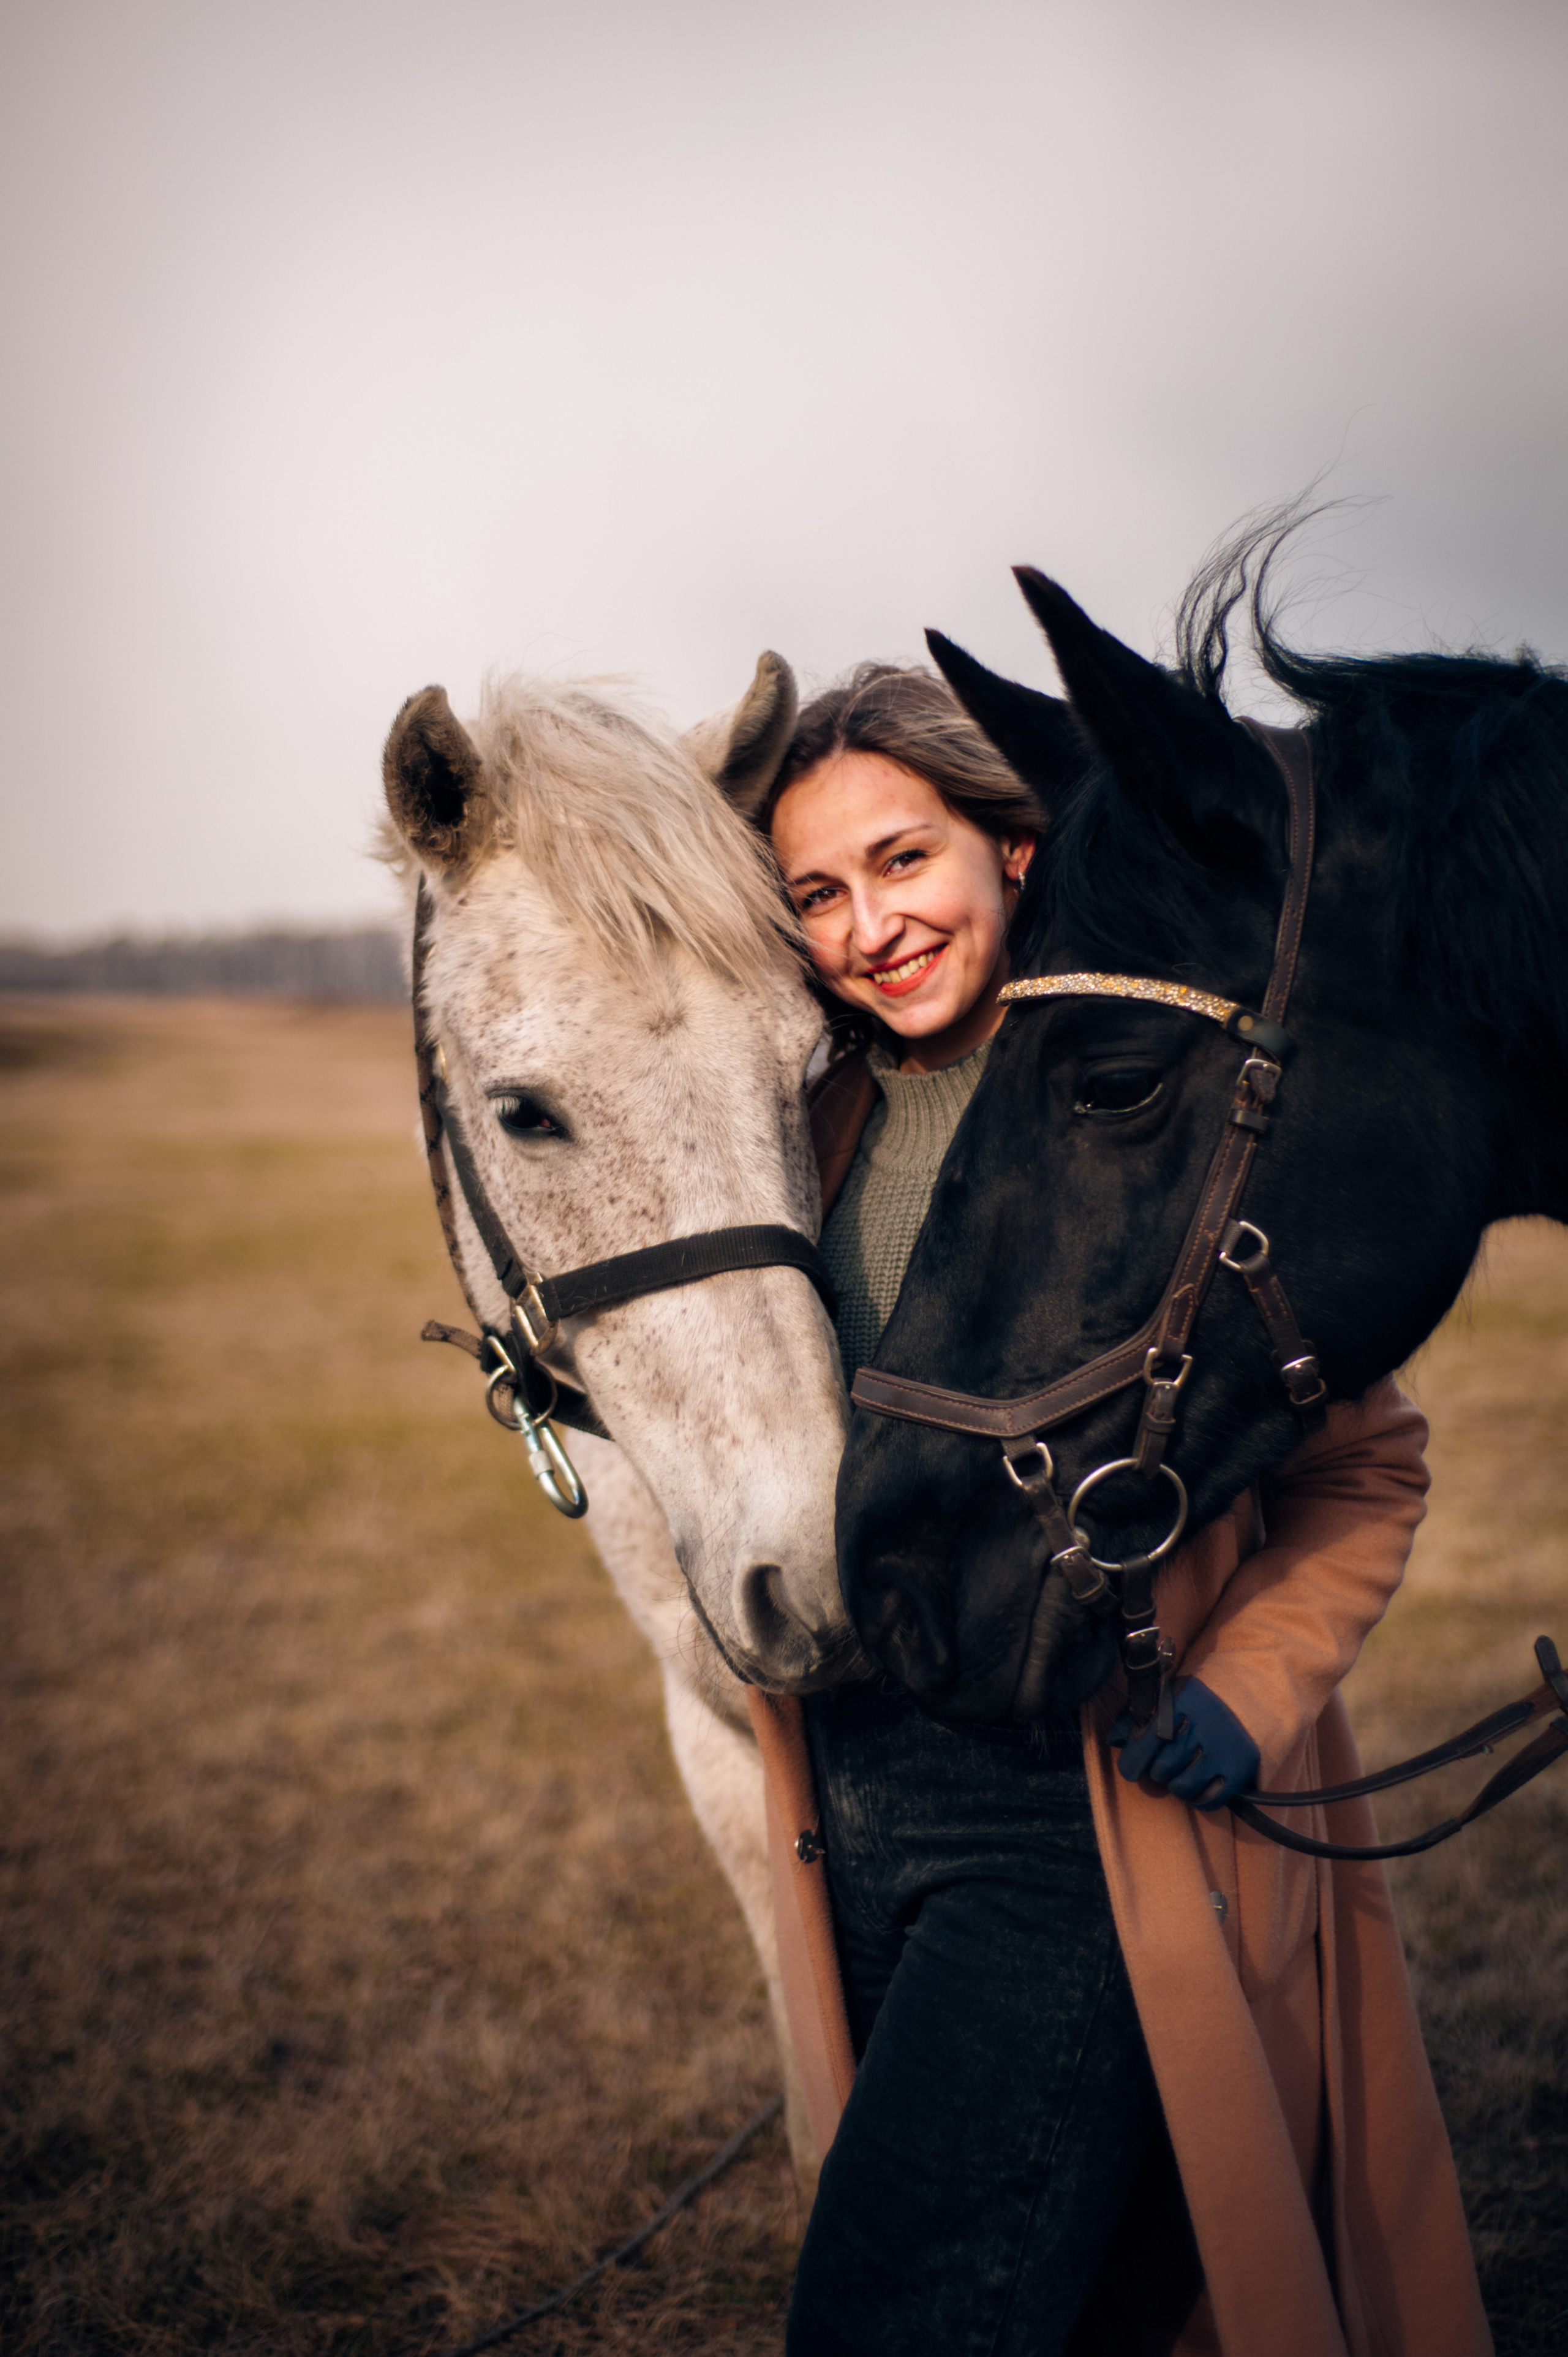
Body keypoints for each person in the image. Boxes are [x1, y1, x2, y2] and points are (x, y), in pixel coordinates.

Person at [742, 664, 1491, 2357]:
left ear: (1018, 848)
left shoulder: (1155, 1104)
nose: (869, 925)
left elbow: (1365, 1467)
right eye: (819, 893)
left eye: (904, 859)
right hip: (856, 1791)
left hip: (1078, 1807)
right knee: (1072, 2290)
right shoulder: (810, 1131)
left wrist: (1246, 1691)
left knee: (904, 2304)